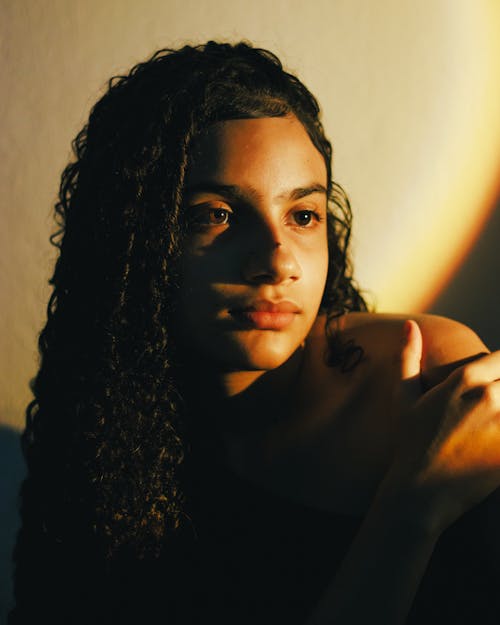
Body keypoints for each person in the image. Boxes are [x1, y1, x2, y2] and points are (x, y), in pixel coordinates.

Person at [9, 41, 500, 625]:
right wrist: (409, 512)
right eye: (213, 214)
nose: (277, 260)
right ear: (132, 242)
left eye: (303, 215)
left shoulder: (426, 374)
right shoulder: (98, 443)